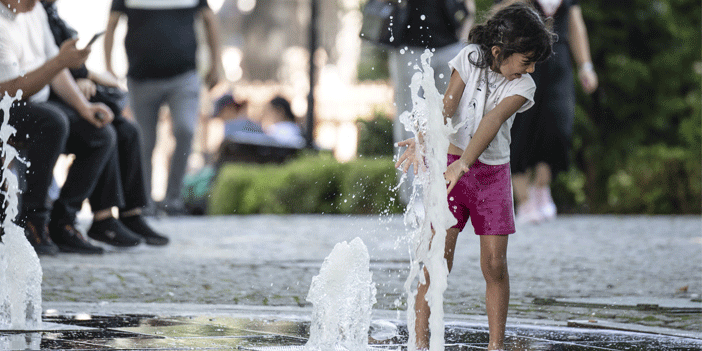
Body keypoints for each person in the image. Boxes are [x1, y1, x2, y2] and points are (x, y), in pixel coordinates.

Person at [395, 3, 555, 350]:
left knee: (494, 265)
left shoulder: (524, 86)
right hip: (451, 172)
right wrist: (423, 139)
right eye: (526, 60)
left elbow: (492, 120)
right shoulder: (469, 58)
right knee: (437, 260)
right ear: (499, 51)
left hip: (491, 177)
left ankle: (495, 346)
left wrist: (464, 163)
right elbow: (447, 105)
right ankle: (420, 344)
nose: (530, 68)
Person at [42, 0, 169, 246]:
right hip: (48, 95)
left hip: (68, 90)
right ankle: (73, 219)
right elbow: (44, 64)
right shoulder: (29, 13)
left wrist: (86, 76)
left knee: (128, 130)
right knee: (101, 130)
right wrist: (81, 81)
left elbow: (65, 63)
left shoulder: (50, 14)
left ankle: (130, 214)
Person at [0, 0, 116, 255]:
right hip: (6, 105)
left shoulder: (35, 9)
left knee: (100, 134)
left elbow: (56, 67)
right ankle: (32, 221)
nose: (35, 4)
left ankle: (63, 221)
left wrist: (84, 107)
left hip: (38, 103)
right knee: (52, 122)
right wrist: (58, 62)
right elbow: (8, 91)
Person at [104, 0, 224, 215]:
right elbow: (112, 23)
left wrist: (216, 63)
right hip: (141, 78)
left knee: (186, 129)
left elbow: (209, 20)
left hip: (184, 75)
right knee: (144, 142)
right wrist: (109, 67)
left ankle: (173, 199)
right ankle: (144, 202)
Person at [499, 0, 598, 224]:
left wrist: (585, 66)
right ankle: (523, 200)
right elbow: (499, 16)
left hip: (558, 61)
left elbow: (576, 25)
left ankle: (541, 188)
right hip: (524, 61)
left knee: (558, 125)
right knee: (520, 128)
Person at [390, 0, 475, 204]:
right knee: (408, 121)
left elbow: (468, 6)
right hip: (408, 48)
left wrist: (464, 35)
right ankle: (414, 198)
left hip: (449, 46)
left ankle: (450, 190)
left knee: (451, 120)